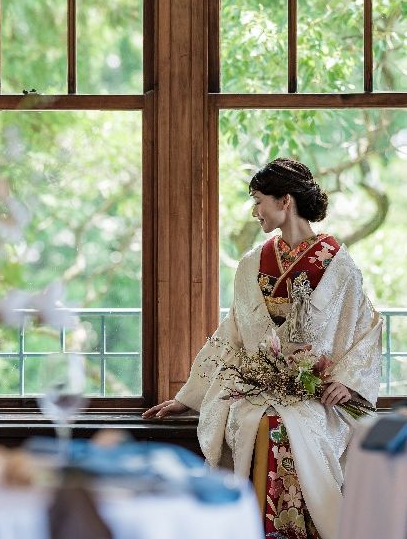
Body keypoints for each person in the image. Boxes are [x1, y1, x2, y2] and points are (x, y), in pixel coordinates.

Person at [142, 158, 382, 539]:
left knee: (287, 427)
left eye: (258, 201)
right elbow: (231, 335)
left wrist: (348, 383)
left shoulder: (338, 265)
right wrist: (187, 398)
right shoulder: (252, 264)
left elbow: (365, 327)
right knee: (258, 421)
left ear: (285, 201)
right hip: (257, 389)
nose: (255, 212)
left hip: (313, 395)